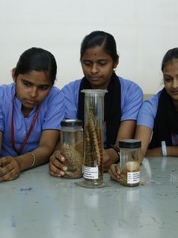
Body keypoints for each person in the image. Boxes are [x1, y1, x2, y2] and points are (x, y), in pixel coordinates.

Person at [109, 47, 178, 182]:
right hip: (161, 179)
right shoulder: (151, 105)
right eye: (168, 79)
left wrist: (163, 151)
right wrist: (123, 165)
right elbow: (140, 150)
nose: (174, 85)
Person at [0, 47, 65, 185]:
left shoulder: (56, 97)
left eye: (43, 87)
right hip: (2, 171)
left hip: (40, 176)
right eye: (26, 84)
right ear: (14, 75)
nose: (33, 93)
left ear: (51, 85)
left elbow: (47, 146)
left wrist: (20, 163)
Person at [49, 30, 143, 177]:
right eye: (87, 63)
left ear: (115, 61)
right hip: (80, 170)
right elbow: (68, 141)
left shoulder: (131, 92)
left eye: (102, 63)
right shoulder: (69, 92)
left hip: (114, 171)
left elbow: (124, 141)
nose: (94, 70)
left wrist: (112, 155)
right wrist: (58, 158)